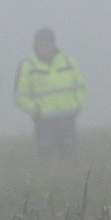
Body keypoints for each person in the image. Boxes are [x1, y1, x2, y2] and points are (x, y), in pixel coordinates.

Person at [14, 28, 86, 158]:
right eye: (40, 42)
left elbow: (80, 87)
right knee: (47, 157)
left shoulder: (69, 61)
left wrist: (77, 105)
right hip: (44, 121)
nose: (44, 45)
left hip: (68, 118)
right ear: (34, 45)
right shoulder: (27, 65)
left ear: (53, 43)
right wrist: (36, 110)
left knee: (70, 156)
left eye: (47, 41)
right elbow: (19, 96)